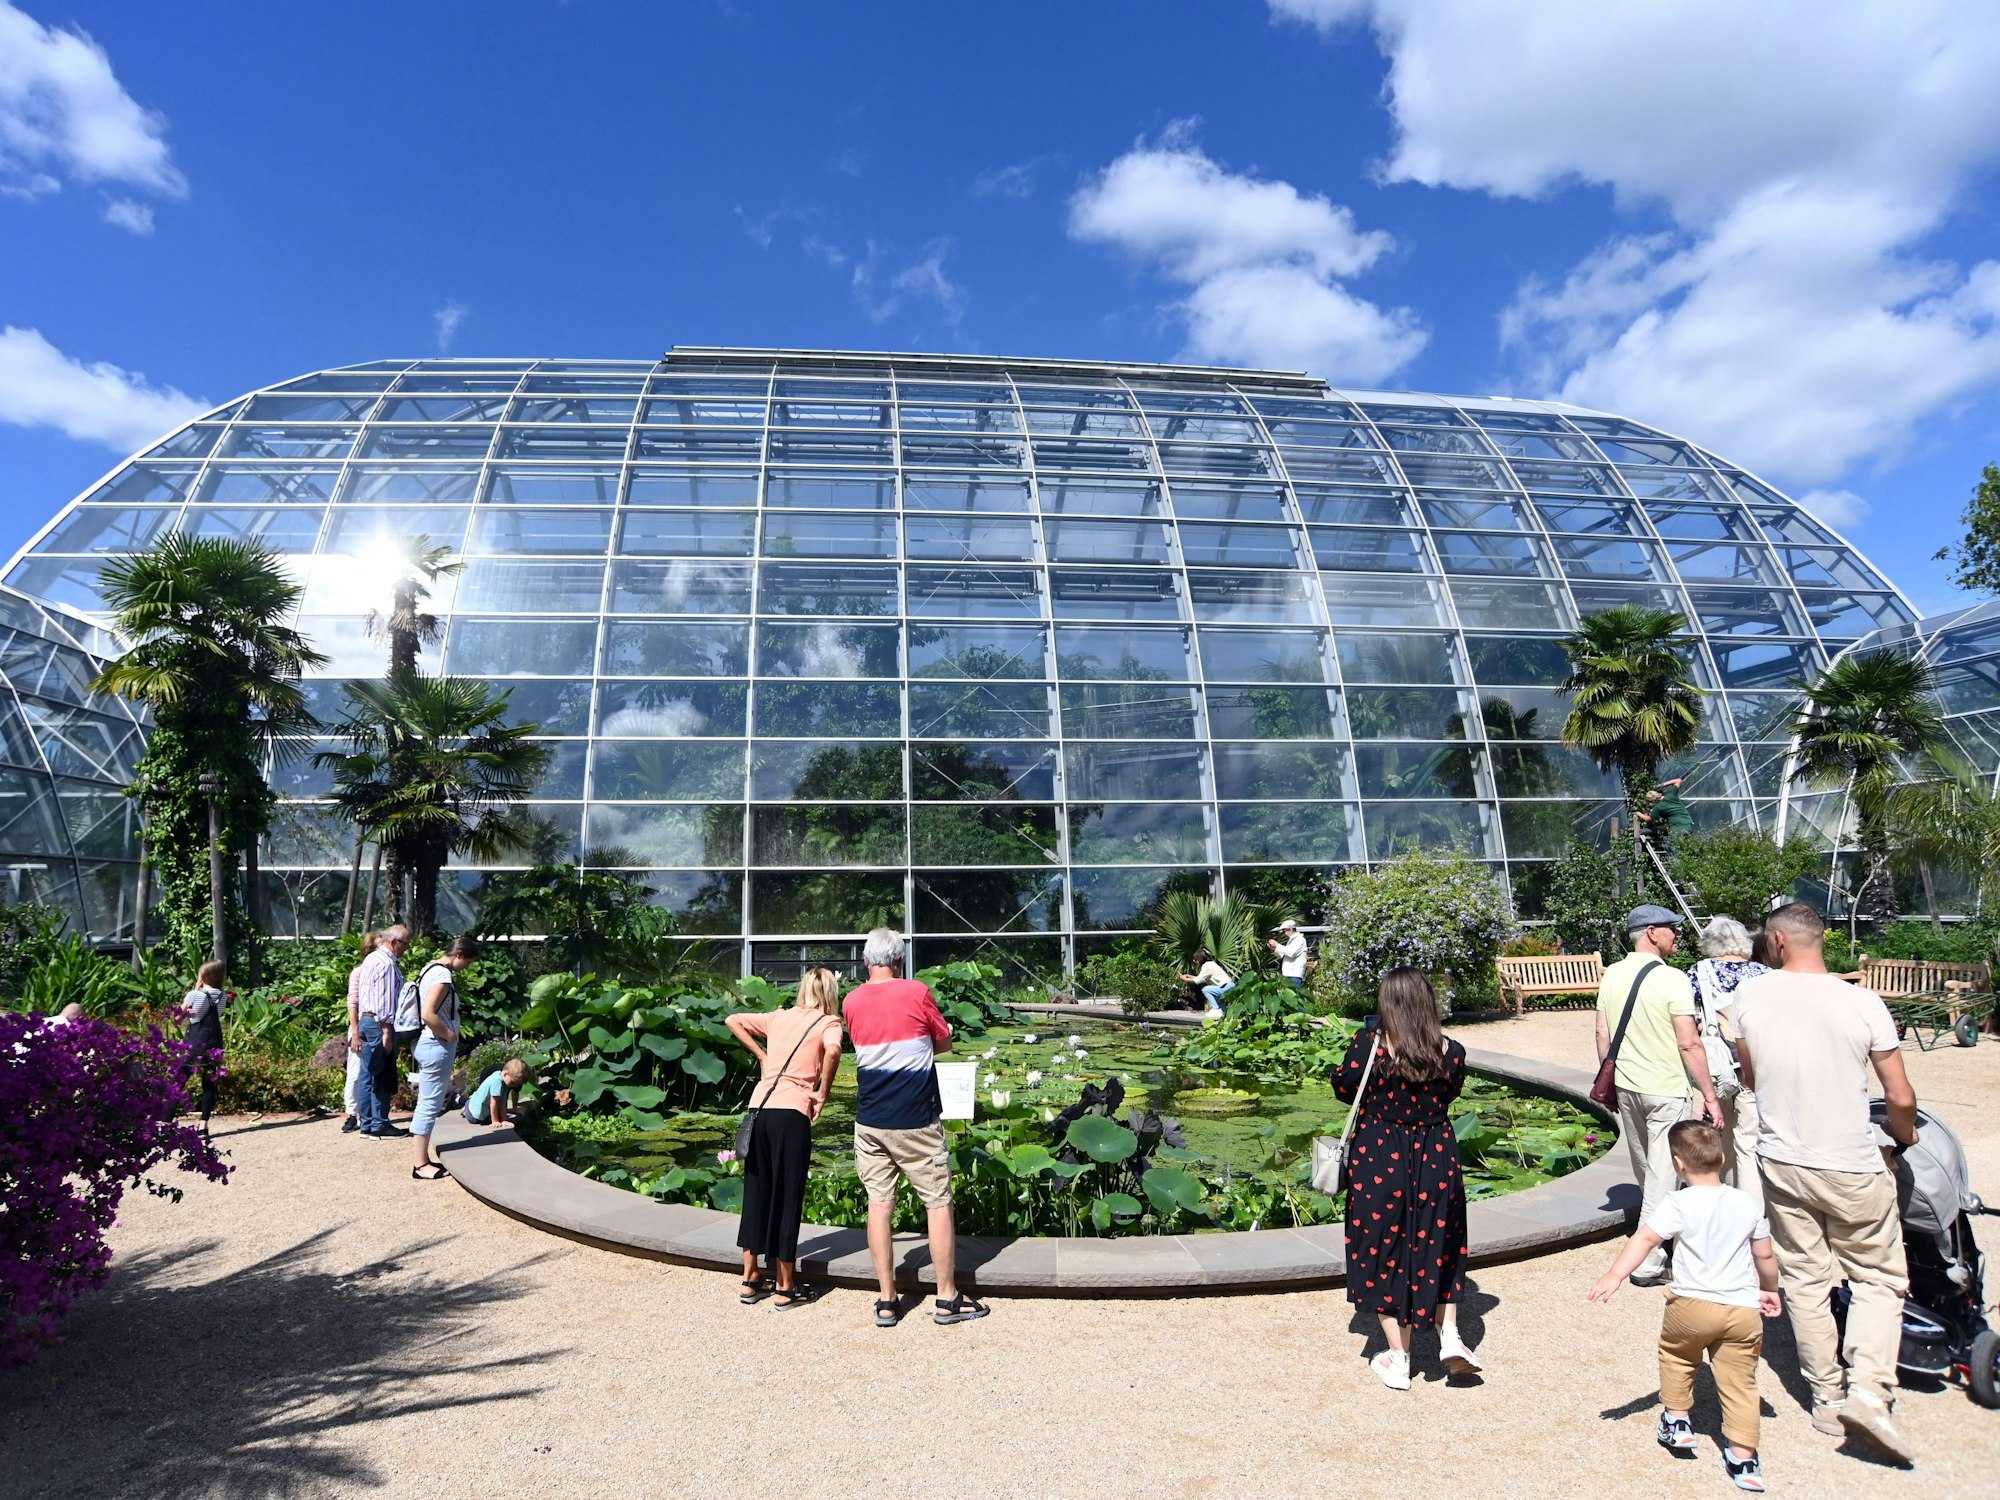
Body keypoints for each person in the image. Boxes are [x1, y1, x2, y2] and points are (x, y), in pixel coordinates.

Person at [1734, 903, 1919, 1463]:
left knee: (1806, 1279)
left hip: (1783, 1159)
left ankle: (1824, 1397)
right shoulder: (1861, 1002)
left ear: (1778, 942)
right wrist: (1904, 1140)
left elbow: (1748, 1075)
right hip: (1851, 1161)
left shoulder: (1749, 997)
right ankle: (1868, 1391)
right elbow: (1900, 1096)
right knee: (1878, 1278)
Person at [1588, 1121, 1781, 1493]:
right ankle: (1744, 1459)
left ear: (1678, 1164)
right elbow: (1765, 1254)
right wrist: (1769, 1289)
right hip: (1741, 1308)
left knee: (1677, 1358)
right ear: (1722, 1158)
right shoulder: (1746, 1203)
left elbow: (1646, 1238)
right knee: (1741, 1382)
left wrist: (1614, 1275)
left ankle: (1677, 1422)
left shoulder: (1678, 1202)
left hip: (1691, 1303)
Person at [1333, 967, 1480, 1390]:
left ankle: (1399, 1358)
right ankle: (1450, 1334)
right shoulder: (1451, 1051)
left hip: (1380, 1157)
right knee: (1442, 1241)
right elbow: (1450, 1093)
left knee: (1380, 1247)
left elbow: (1343, 1087)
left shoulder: (1370, 1047)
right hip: (1436, 1153)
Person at [844, 927, 989, 1327]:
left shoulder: (851, 1001)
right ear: (900, 961)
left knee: (879, 1204)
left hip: (870, 1120)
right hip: (916, 1119)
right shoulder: (916, 992)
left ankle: (887, 1301)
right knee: (937, 1201)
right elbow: (943, 1044)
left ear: (866, 960)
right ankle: (946, 1298)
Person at [1594, 905, 1724, 1285]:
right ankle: (1648, 1263)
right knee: (1663, 1176)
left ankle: (1655, 1241)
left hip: (1628, 1086)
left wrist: (1610, 1078)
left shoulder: (1613, 974)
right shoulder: (1673, 979)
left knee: (1647, 1169)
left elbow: (1602, 1032)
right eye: (1673, 930)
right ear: (1651, 932)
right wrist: (1710, 1096)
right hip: (1665, 1088)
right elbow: (1689, 1044)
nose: (1677, 936)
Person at [725, 967, 844, 1308]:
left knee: (756, 1193)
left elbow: (734, 1020)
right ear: (830, 993)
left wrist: (762, 1056)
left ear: (803, 988)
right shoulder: (828, 1023)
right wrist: (822, 1092)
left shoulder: (777, 1017)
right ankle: (785, 1285)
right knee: (787, 1197)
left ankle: (750, 1279)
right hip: (792, 1114)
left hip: (759, 1111)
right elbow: (833, 1052)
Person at [1691, 917, 1769, 1212]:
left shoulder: (1698, 973)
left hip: (1718, 1065)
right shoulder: (1763, 974)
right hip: (1755, 1062)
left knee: (1719, 1132)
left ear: (1710, 943)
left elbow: (1691, 1023)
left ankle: (1721, 1198)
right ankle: (1752, 1210)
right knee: (1749, 1138)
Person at [408, 936, 473, 1182]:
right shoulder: (443, 976)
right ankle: (420, 1164)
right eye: (467, 961)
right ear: (459, 955)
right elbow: (428, 1013)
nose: (467, 967)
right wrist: (450, 1035)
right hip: (436, 1044)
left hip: (427, 1044)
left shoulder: (429, 968)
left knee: (428, 1100)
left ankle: (422, 1158)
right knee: (429, 1103)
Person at [350, 923, 410, 1139]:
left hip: (366, 1021)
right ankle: (380, 1124)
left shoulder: (370, 960)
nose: (406, 948)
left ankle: (366, 1123)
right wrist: (386, 1031)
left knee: (367, 1073)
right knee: (382, 1074)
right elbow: (383, 1001)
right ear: (394, 942)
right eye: (405, 944)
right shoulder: (386, 963)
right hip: (379, 1024)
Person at [181, 959, 228, 1138]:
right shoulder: (222, 996)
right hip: (213, 1045)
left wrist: (194, 993)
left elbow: (178, 1017)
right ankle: (204, 1125)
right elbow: (217, 1014)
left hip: (194, 1044)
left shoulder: (195, 995)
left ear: (203, 976)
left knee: (179, 1080)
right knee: (209, 1084)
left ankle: (166, 1120)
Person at [340, 931, 380, 1133]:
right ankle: (351, 1113)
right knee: (355, 1073)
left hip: (377, 1026)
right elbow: (353, 1002)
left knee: (373, 1072)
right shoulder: (358, 972)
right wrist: (355, 1033)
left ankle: (371, 1114)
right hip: (360, 1025)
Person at [462, 1057, 528, 1127]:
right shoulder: (497, 1082)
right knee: (494, 1115)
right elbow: (494, 1102)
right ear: (506, 1074)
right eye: (512, 1082)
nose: (514, 1086)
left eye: (517, 1084)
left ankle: (469, 1104)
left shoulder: (499, 1075)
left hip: (475, 1106)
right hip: (474, 1116)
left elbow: (503, 1101)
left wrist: (504, 1119)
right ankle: (465, 1108)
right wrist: (495, 1121)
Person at [1178, 948, 1235, 1019]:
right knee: (1218, 1001)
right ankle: (1227, 1014)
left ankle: (1216, 1010)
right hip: (1230, 985)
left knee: (1205, 990)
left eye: (1195, 960)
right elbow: (1202, 978)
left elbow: (1198, 981)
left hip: (1225, 987)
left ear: (1199, 960)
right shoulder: (1211, 964)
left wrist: (1185, 979)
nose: (1195, 962)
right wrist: (1190, 976)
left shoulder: (1206, 966)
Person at [1267, 920, 1309, 988]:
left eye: (1284, 931)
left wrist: (1277, 945)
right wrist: (1274, 949)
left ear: (1291, 929)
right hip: (1287, 975)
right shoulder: (1292, 941)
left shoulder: (1300, 940)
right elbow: (1283, 956)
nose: (1284, 934)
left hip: (1294, 975)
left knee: (1294, 997)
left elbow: (1291, 953)